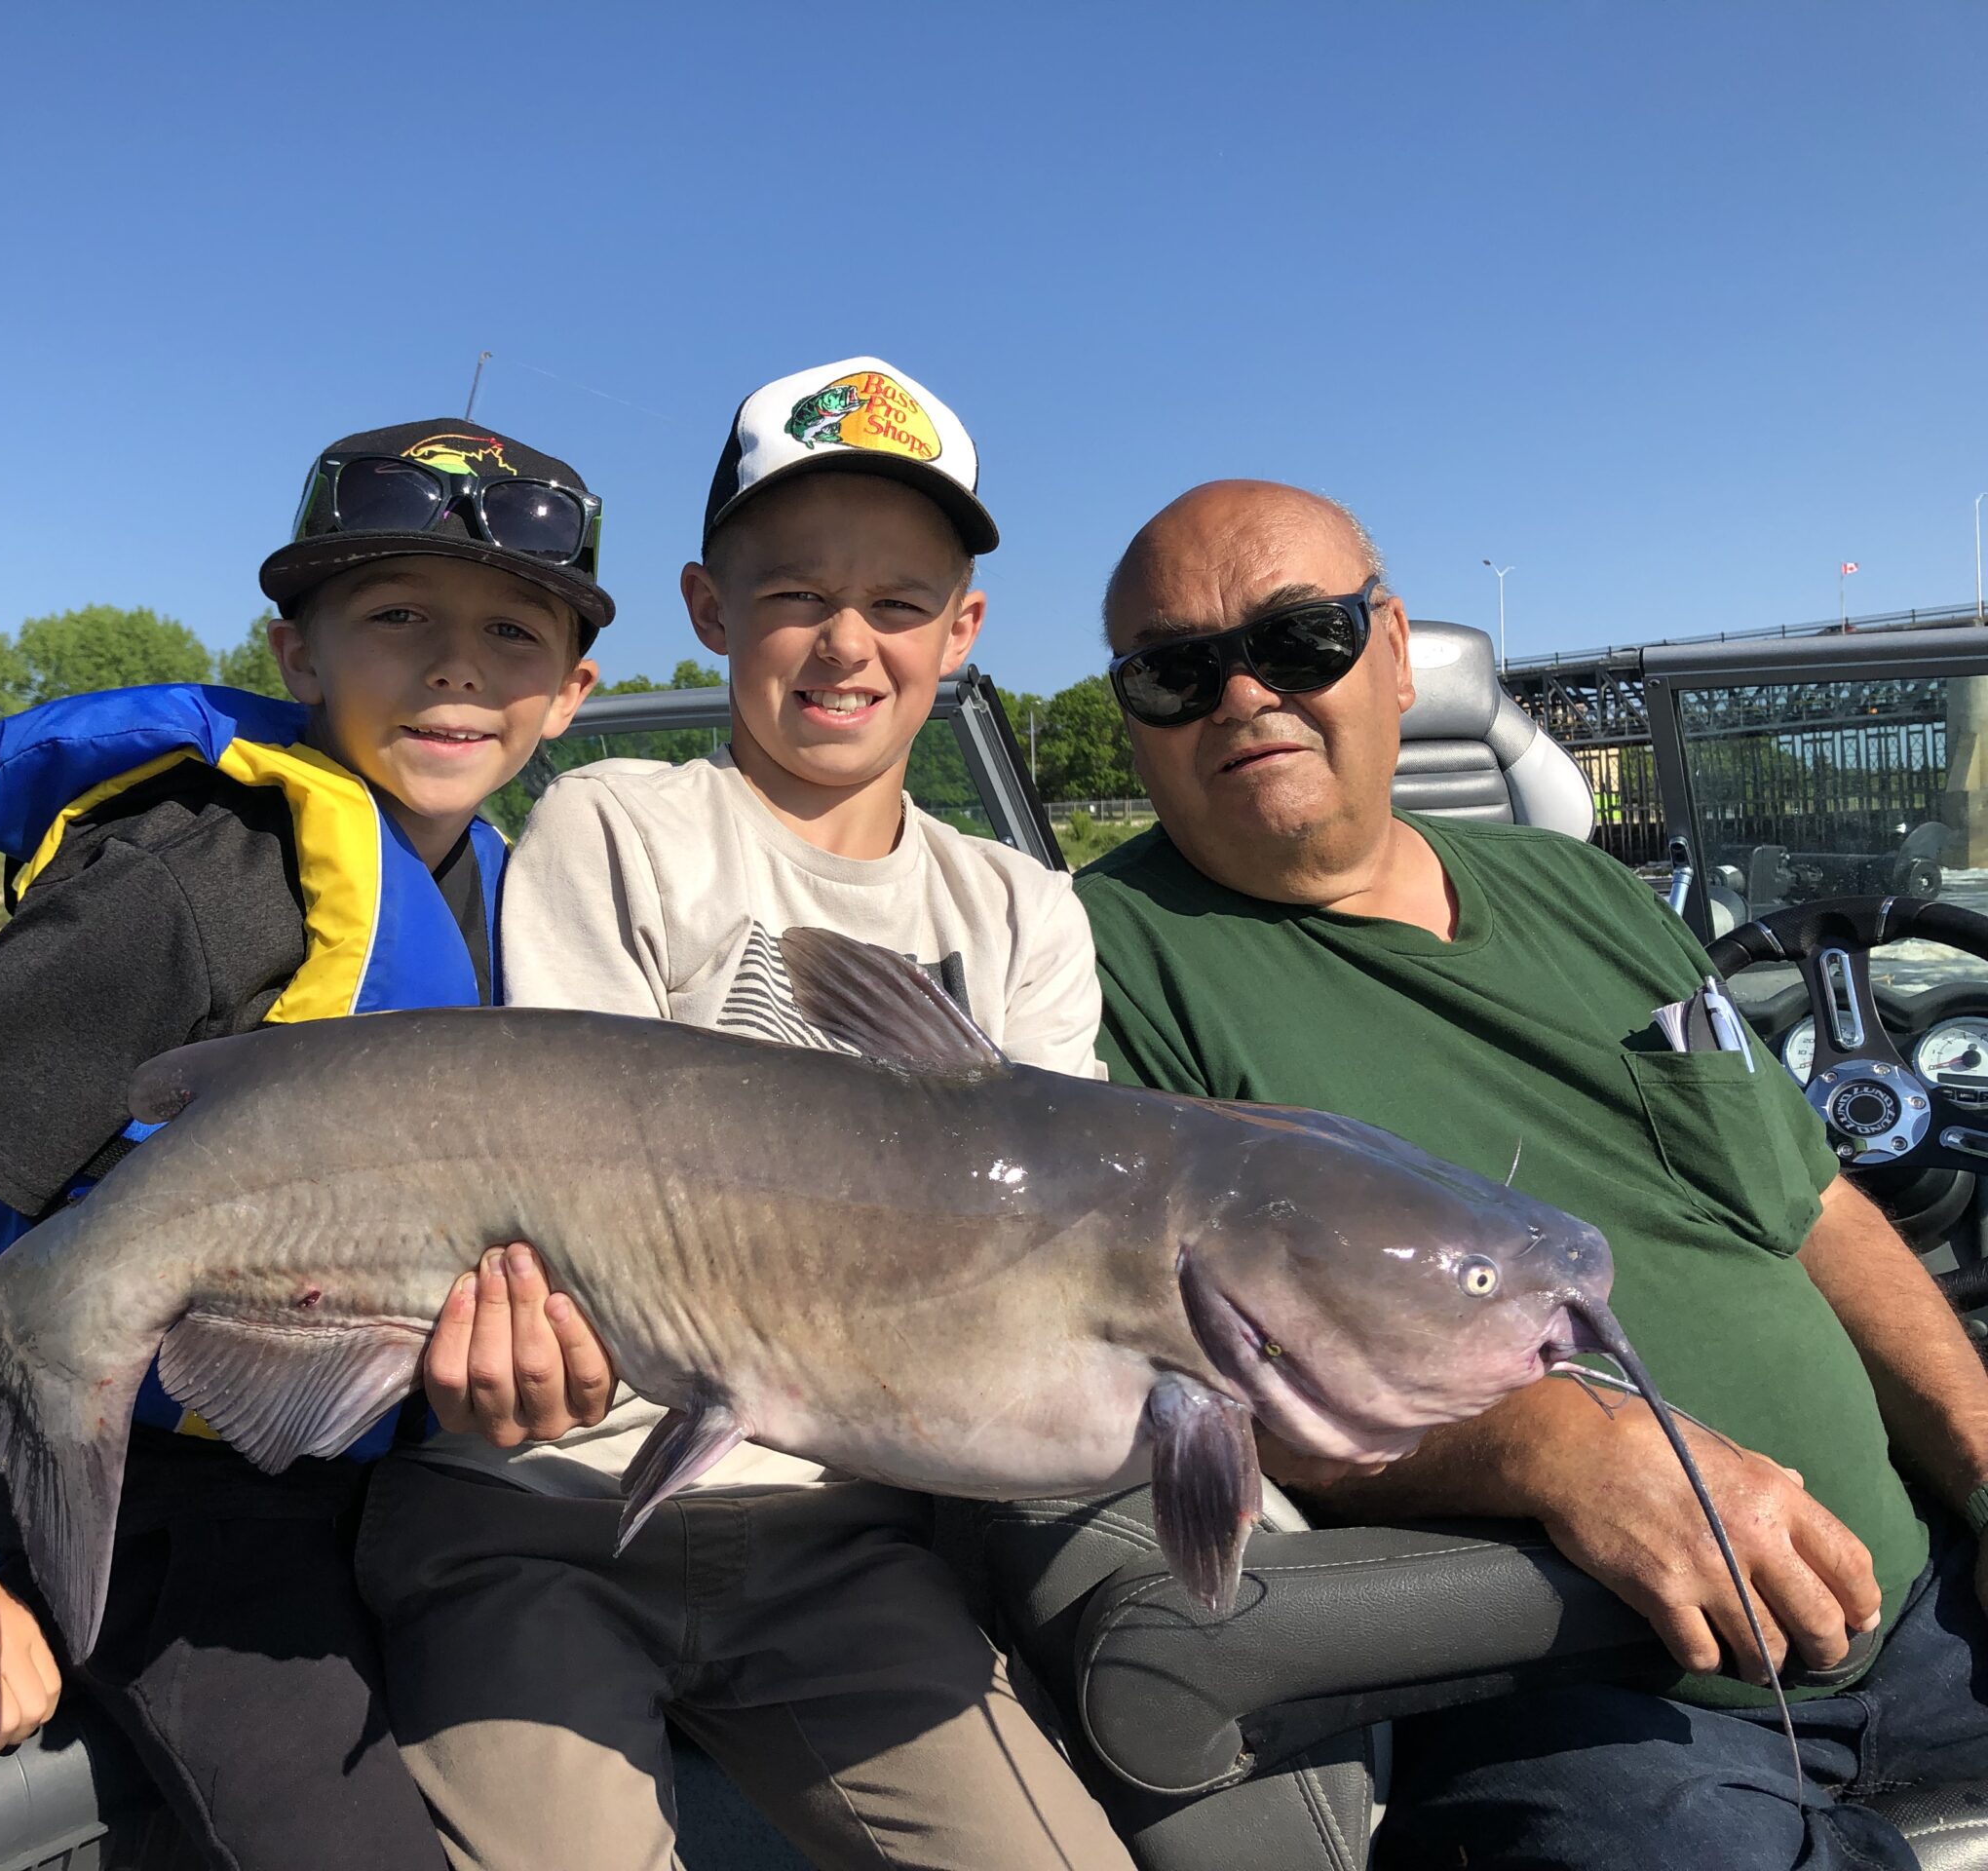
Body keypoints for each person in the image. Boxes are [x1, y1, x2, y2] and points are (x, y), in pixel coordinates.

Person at [1073, 477, 1988, 1870]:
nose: (1244, 694)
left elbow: (1811, 1213)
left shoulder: (1590, 897)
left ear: (1390, 649)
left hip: (1924, 1605)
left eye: (1300, 639)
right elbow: (1167, 1381)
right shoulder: (1095, 971)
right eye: (1175, 671)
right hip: (1579, 1699)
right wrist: (1553, 1444)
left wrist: (1981, 1453)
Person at [0, 417, 616, 1871]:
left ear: (571, 691)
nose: (457, 666)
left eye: (510, 632)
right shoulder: (191, 887)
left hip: (391, 1475)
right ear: (297, 653)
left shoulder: (513, 900)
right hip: (178, 1505)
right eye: (397, 616)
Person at [355, 359, 1133, 1871]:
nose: (847, 644)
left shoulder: (1027, 912)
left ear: (963, 632)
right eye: (794, 596)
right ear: (712, 609)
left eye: (901, 604)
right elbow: (587, 1233)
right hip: (540, 1506)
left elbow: (1057, 1269)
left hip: (836, 1544)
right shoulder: (617, 825)